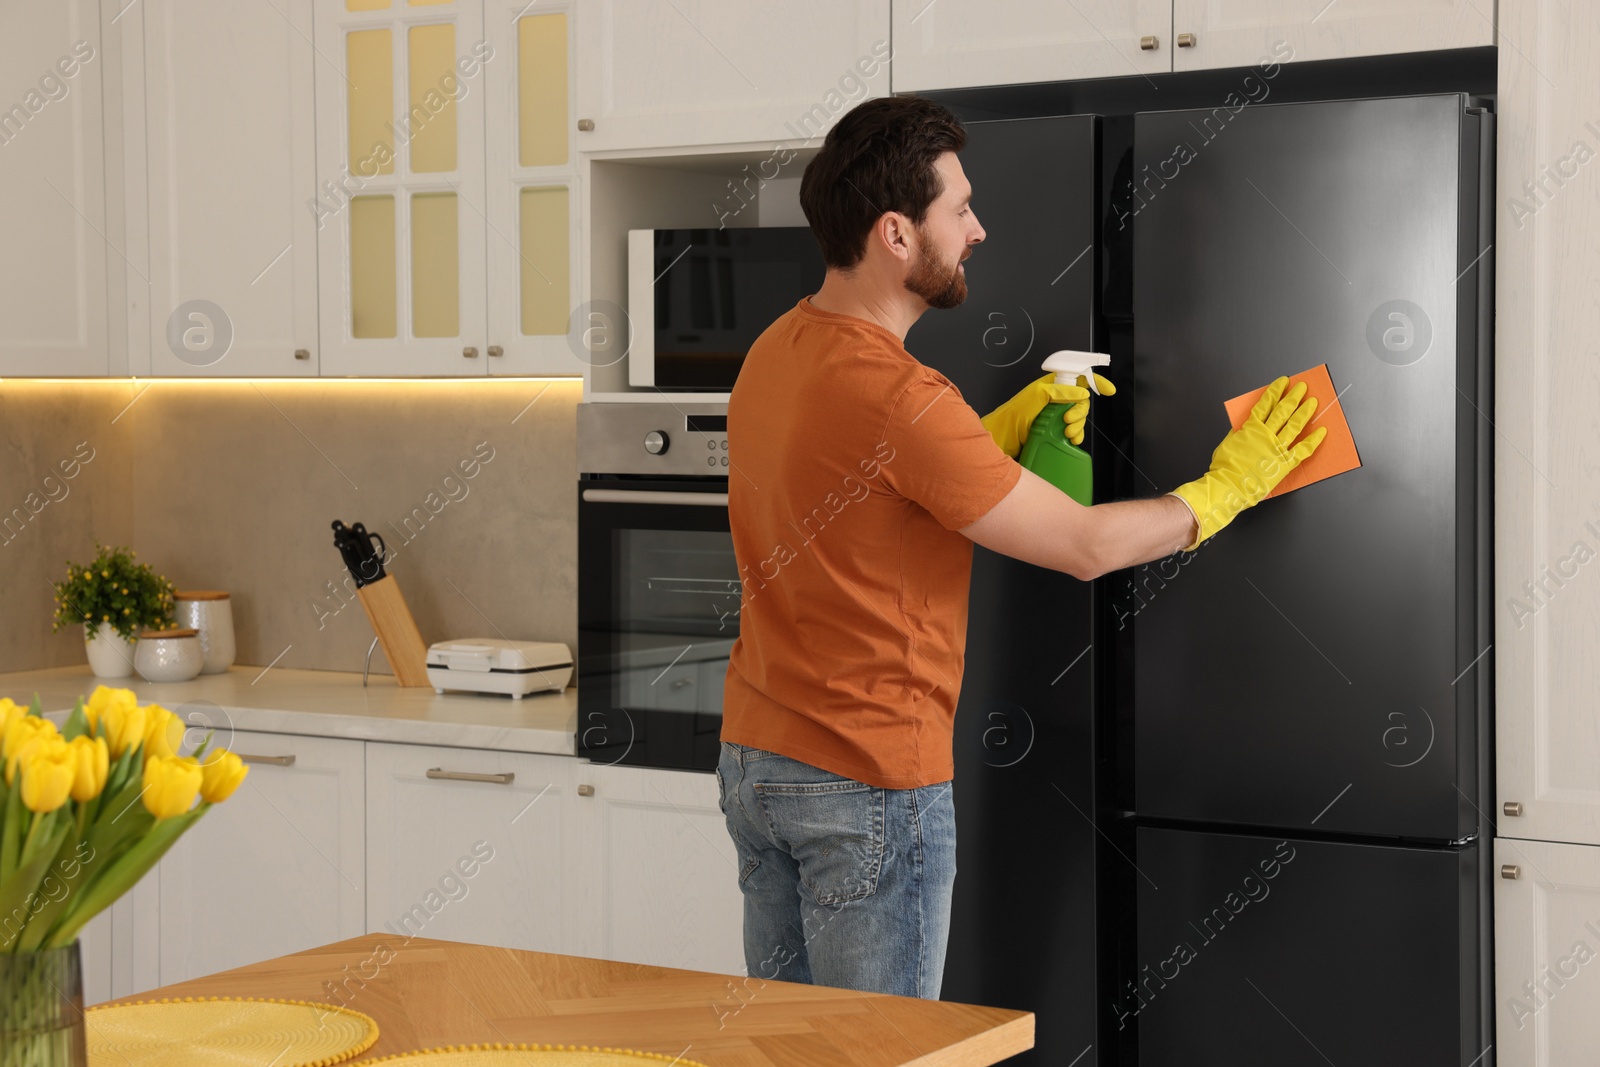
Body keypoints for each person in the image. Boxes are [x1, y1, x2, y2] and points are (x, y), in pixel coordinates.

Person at [715, 95, 1325, 1000]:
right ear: (894, 233)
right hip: (869, 782)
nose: (979, 229)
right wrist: (1224, 489)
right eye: (958, 209)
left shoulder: (779, 347)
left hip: (760, 767)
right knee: (885, 1064)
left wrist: (987, 433)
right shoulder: (904, 396)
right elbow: (1079, 544)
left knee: (790, 1049)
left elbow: (859, 494)